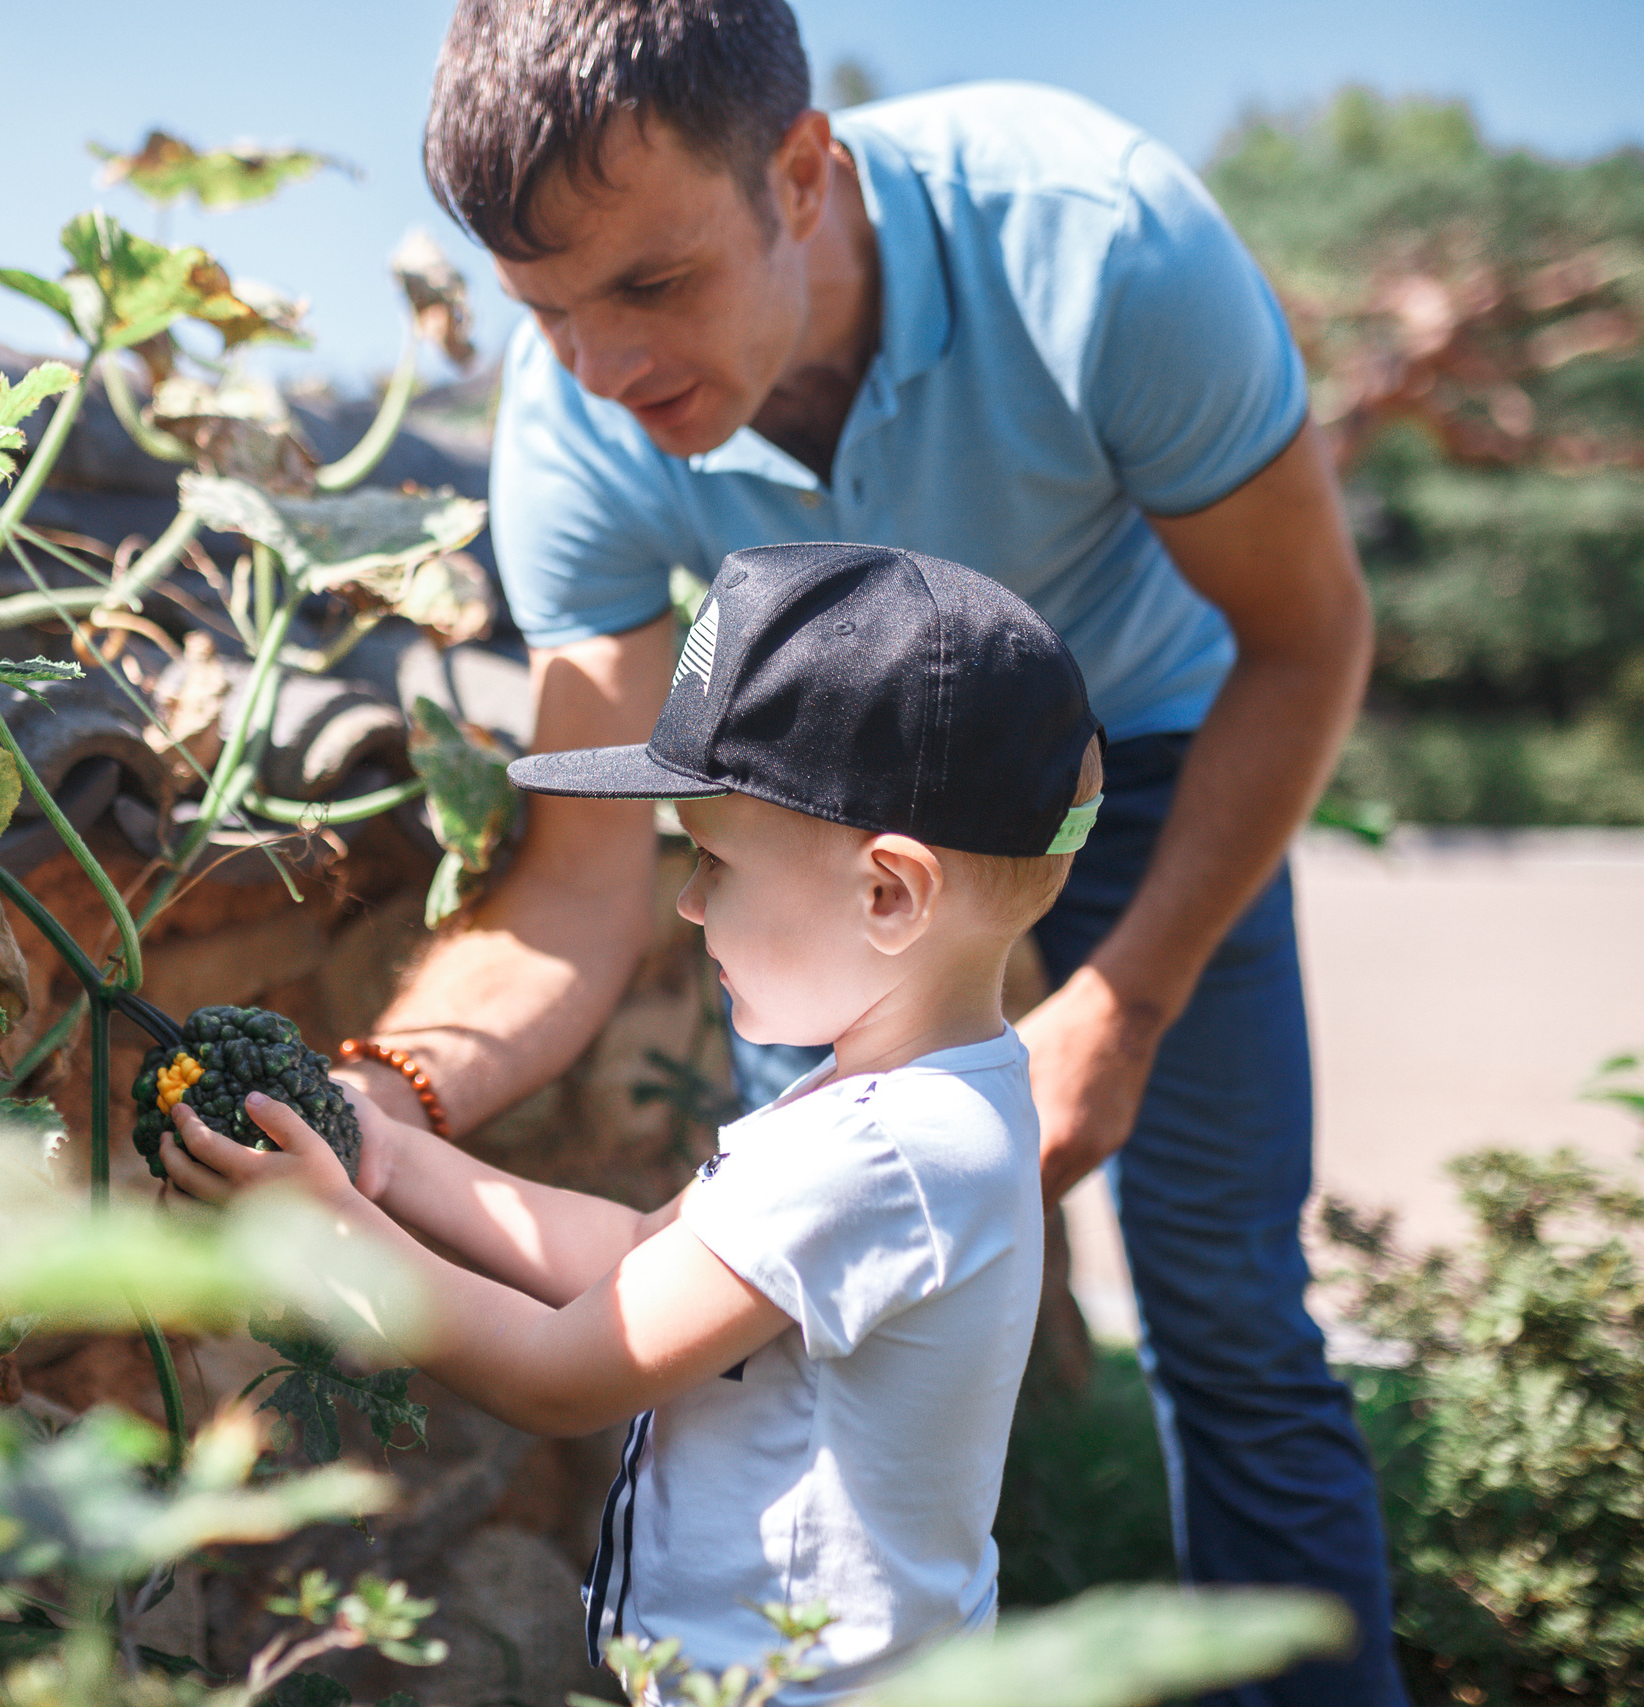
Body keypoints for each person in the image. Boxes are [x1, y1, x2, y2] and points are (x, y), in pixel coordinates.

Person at [329, 4, 1404, 1704]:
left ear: (802, 173)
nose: (602, 368)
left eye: (653, 283)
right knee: (771, 1301)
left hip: (1166, 741)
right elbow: (580, 885)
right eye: (545, 311)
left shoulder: (1099, 245)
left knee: (1225, 1307)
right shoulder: (575, 431)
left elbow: (1308, 635)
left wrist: (1123, 1007)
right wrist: (381, 1094)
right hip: (814, 813)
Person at [165, 542, 1103, 1697]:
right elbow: (634, 1259)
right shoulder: (919, 1100)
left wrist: (337, 1241)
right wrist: (390, 1158)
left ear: (887, 893)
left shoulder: (876, 1156)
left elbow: (564, 1375)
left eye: (712, 862)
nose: (688, 903)